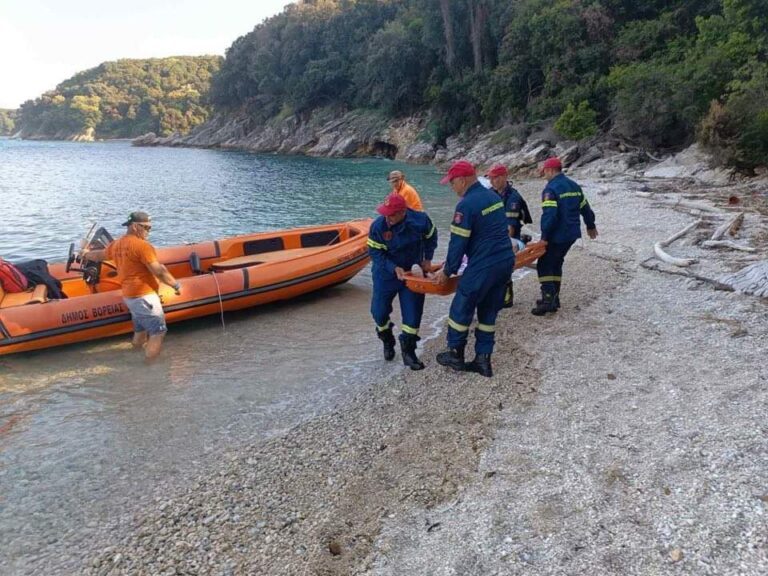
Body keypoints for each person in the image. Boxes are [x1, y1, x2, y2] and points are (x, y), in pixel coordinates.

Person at [434, 160, 514, 378]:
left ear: (462, 180)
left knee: (461, 306)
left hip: (484, 264)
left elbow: (458, 242)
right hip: (505, 261)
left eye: (452, 183)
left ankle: (455, 354)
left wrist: (447, 271)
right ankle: (483, 361)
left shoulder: (465, 205)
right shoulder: (493, 197)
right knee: (489, 310)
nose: (452, 188)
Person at [82, 211, 182, 361]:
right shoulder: (142, 246)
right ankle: (150, 367)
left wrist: (85, 254)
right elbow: (159, 271)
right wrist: (176, 285)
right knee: (158, 332)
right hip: (144, 297)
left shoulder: (117, 244)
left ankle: (133, 357)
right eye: (147, 228)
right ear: (135, 227)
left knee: (140, 330)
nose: (149, 231)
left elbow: (100, 255)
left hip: (130, 297)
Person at [367, 193, 437, 370]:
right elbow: (375, 253)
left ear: (403, 212)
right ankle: (387, 338)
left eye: (391, 214)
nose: (387, 218)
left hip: (412, 273)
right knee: (378, 312)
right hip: (385, 274)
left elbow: (432, 235)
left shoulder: (420, 220)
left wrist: (427, 259)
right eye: (385, 213)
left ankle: (409, 351)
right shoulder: (378, 226)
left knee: (413, 314)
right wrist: (393, 268)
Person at [532, 157, 598, 316]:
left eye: (545, 172)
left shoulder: (551, 189)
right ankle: (554, 298)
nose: (544, 176)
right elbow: (585, 207)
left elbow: (550, 215)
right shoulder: (574, 186)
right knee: (556, 263)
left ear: (550, 170)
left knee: (544, 264)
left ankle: (548, 300)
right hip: (572, 234)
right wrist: (590, 225)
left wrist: (544, 237)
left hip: (557, 234)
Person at [486, 164, 533, 308]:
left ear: (505, 177)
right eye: (491, 178)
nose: (493, 181)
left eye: (496, 178)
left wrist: (503, 246)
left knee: (502, 265)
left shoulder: (513, 198)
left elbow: (510, 227)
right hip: (493, 235)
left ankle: (506, 297)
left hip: (508, 238)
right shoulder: (491, 194)